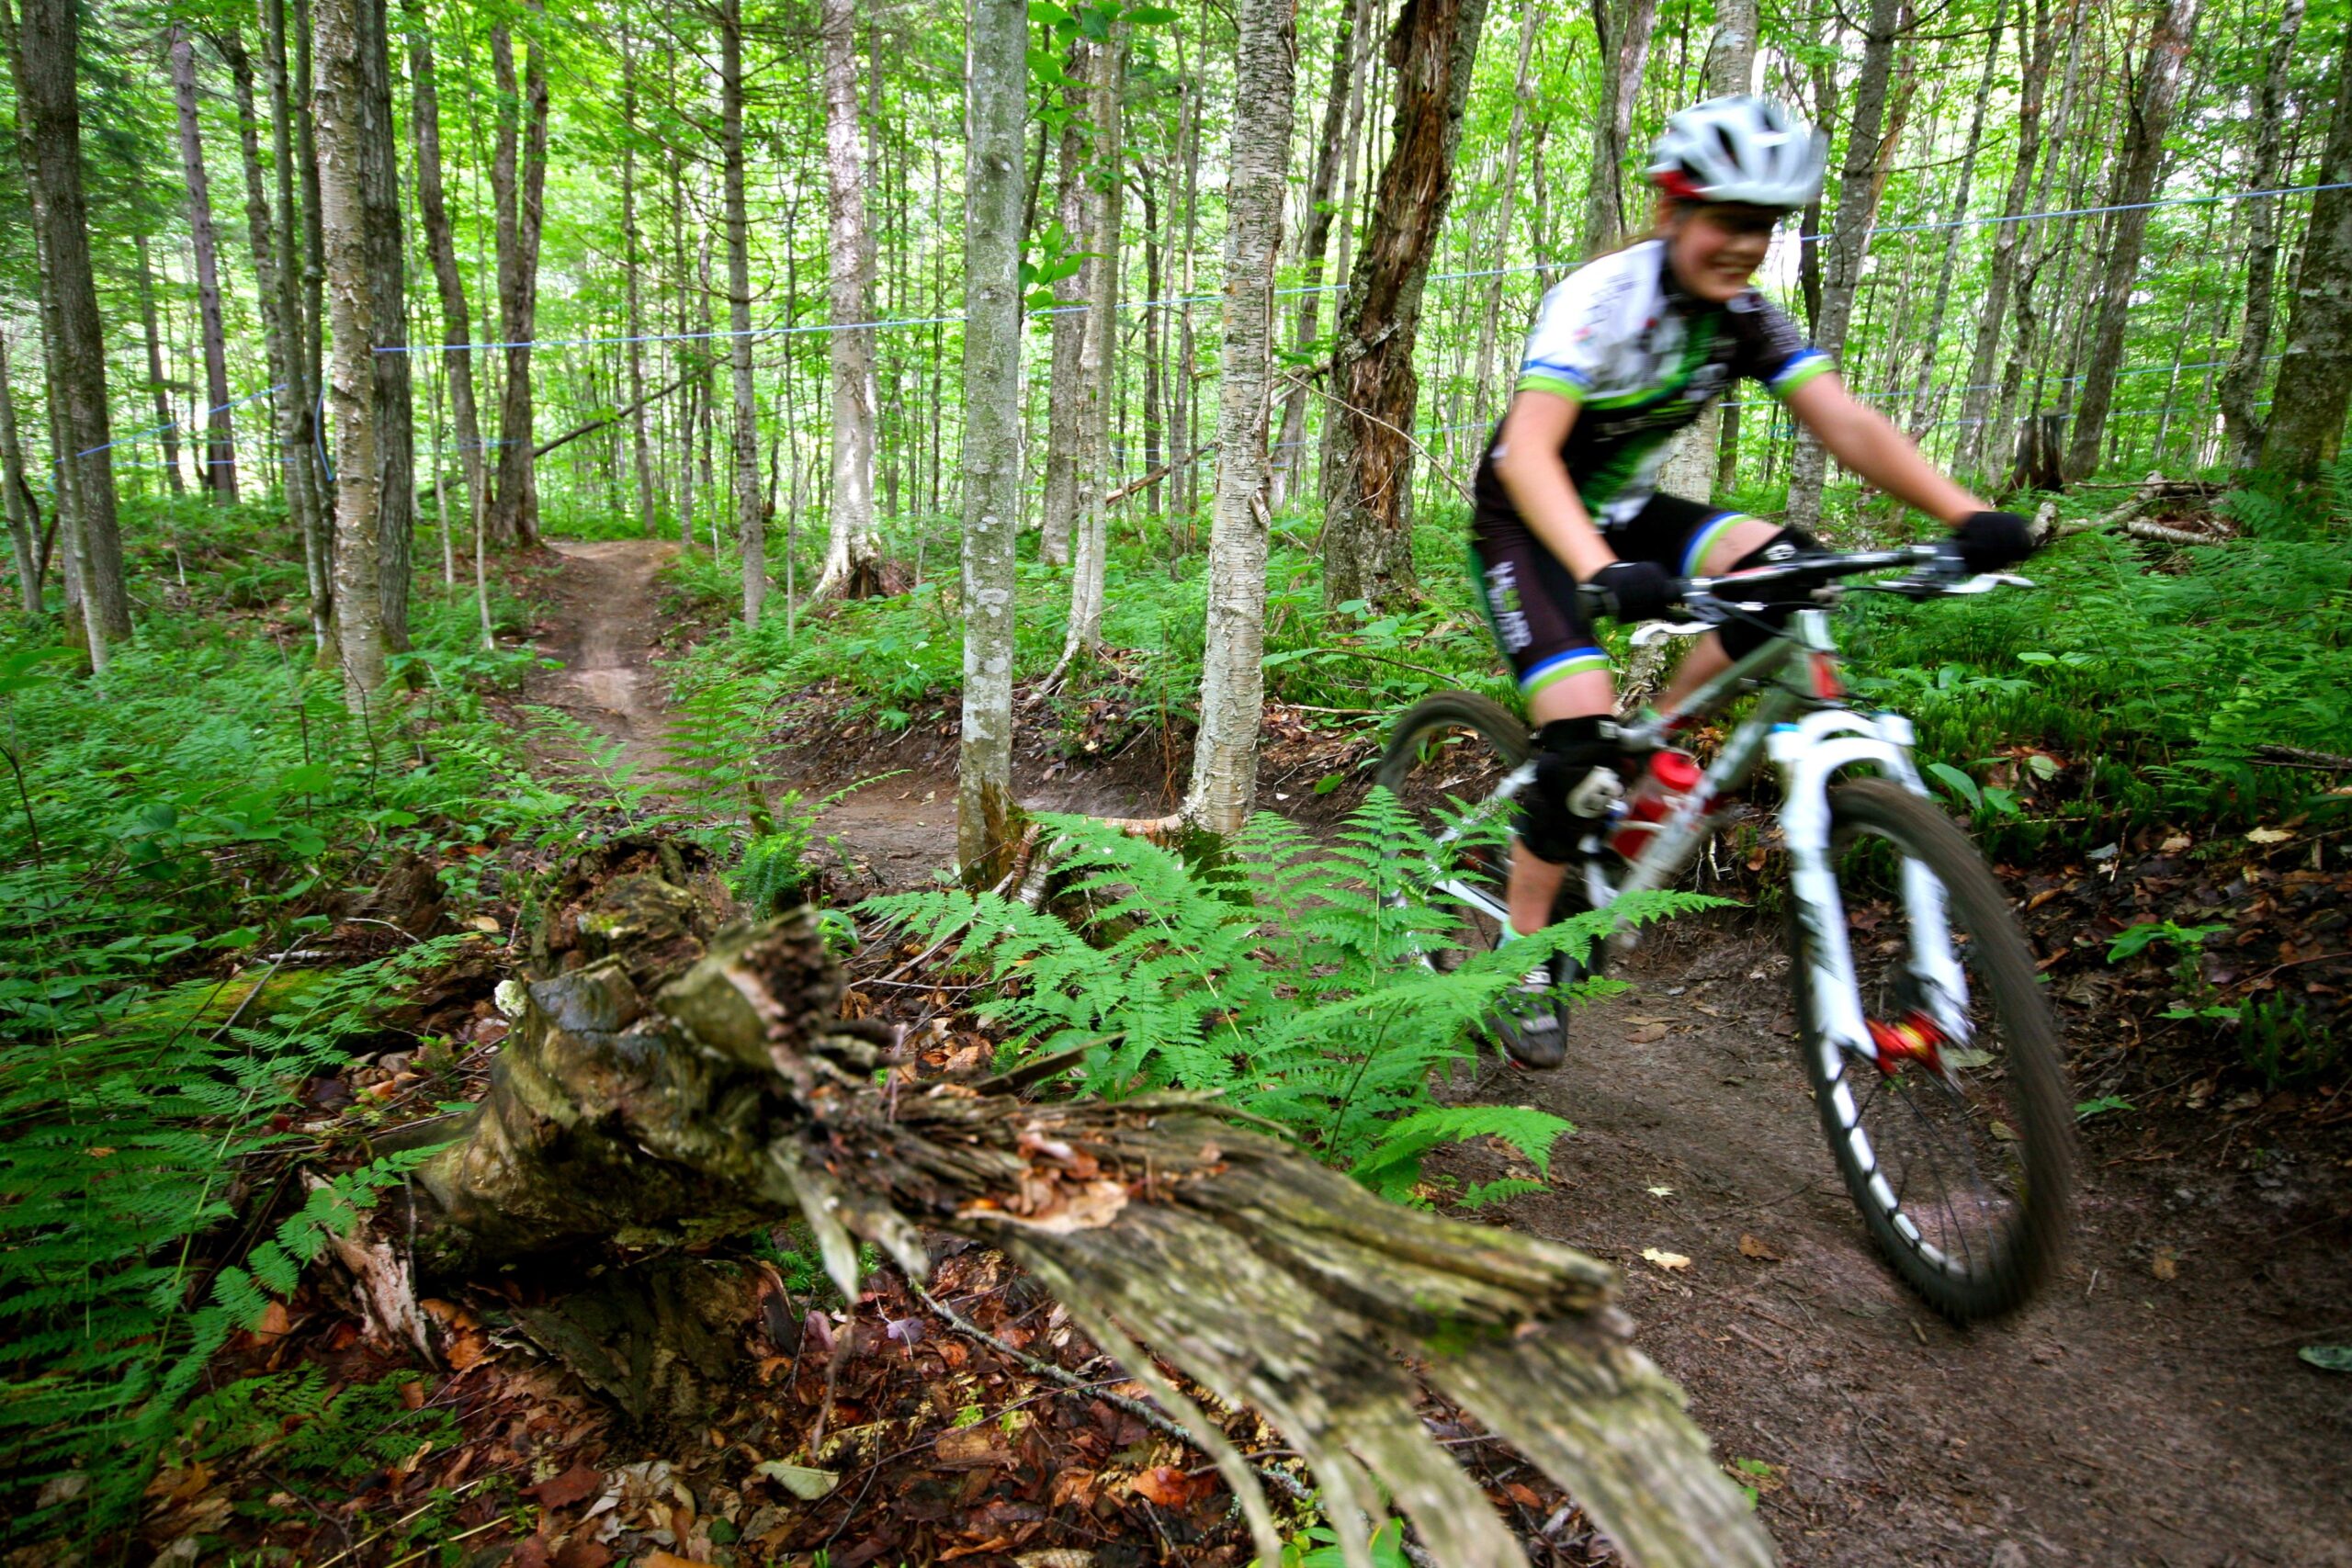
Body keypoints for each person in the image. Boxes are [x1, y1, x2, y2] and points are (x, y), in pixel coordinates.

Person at [1469, 95, 2033, 1068]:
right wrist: (1601, 571)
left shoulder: (1744, 321)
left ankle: (1654, 745)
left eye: (1763, 227)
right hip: (1530, 519)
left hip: (1630, 512)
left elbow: (1843, 422)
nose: (1744, 245)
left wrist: (1962, 512)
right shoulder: (1600, 300)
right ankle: (1521, 959)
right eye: (1727, 220)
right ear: (1669, 213)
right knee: (1575, 735)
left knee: (1790, 568)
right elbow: (1527, 454)